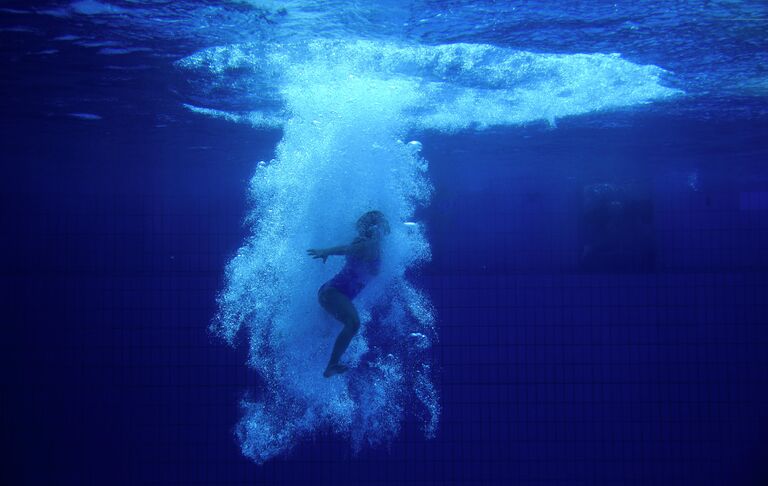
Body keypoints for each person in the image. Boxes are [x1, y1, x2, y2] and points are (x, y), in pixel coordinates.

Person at [307, 211, 391, 378]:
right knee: (353, 323)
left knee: (325, 335)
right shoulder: (368, 244)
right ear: (374, 229)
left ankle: (322, 362)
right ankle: (332, 365)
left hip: (333, 294)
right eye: (380, 228)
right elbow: (346, 249)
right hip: (333, 293)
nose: (382, 232)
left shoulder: (375, 248)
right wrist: (326, 251)